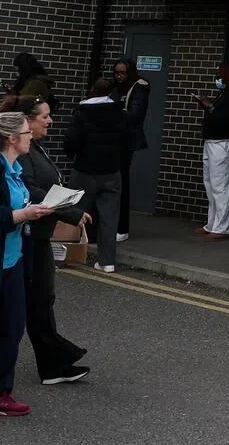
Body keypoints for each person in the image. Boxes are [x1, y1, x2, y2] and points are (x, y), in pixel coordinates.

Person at [14, 97, 90, 385]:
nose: (50, 121)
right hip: (27, 238)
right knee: (36, 301)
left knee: (41, 301)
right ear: (27, 120)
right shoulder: (21, 151)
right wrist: (70, 210)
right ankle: (54, 362)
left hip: (40, 236)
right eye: (44, 116)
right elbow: (29, 190)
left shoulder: (36, 148)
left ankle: (53, 364)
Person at [0, 111, 56, 416]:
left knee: (12, 328)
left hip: (15, 261)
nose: (30, 137)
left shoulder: (15, 169)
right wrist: (23, 215)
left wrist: (34, 210)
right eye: (25, 134)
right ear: (11, 139)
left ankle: (2, 392)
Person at [64, 78, 127, 273]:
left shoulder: (82, 112)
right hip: (111, 171)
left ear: (92, 91)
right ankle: (107, 261)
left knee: (72, 212)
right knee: (109, 218)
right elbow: (127, 140)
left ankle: (66, 254)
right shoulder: (120, 113)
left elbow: (71, 142)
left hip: (85, 170)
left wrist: (72, 153)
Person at [195, 61, 229, 239]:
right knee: (210, 184)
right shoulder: (225, 95)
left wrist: (209, 107)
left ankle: (221, 227)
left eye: (220, 75)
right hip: (214, 141)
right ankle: (212, 223)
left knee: (220, 186)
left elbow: (225, 119)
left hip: (224, 143)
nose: (217, 78)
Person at [109, 56, 149, 242]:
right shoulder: (115, 87)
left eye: (123, 73)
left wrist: (114, 112)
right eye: (116, 73)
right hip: (115, 139)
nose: (119, 76)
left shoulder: (139, 86)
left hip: (126, 141)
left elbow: (135, 114)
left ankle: (122, 227)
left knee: (122, 182)